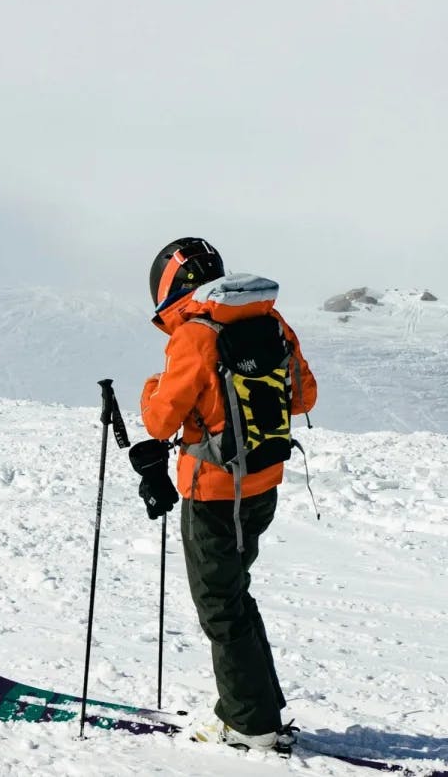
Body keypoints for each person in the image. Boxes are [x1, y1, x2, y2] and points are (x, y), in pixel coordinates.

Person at [136, 237, 318, 752]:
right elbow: (304, 395)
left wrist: (153, 385)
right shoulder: (273, 322)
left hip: (212, 490)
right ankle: (258, 708)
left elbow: (159, 418)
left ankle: (251, 726)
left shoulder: (195, 335)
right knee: (235, 594)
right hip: (262, 484)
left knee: (220, 606)